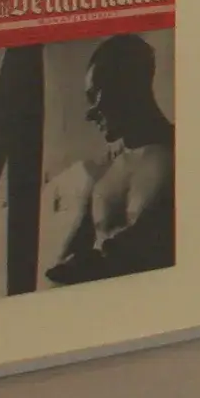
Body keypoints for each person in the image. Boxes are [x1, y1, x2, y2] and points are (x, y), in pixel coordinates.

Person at [44, 33, 175, 284]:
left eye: (95, 95)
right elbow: (62, 268)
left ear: (127, 85)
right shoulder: (102, 175)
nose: (89, 114)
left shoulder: (186, 157)